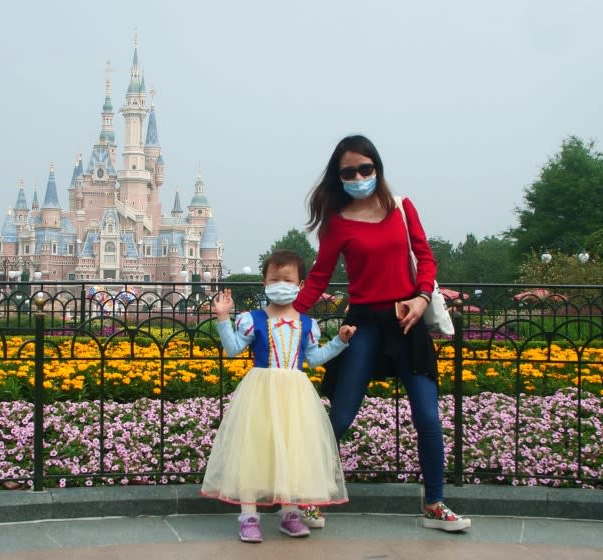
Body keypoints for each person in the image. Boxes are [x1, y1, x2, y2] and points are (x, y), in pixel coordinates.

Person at [292, 134, 471, 532]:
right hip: (364, 326)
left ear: (378, 167)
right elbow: (319, 277)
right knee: (340, 415)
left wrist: (422, 299)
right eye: (348, 172)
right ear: (338, 178)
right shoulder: (337, 223)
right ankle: (306, 496)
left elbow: (425, 259)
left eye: (364, 168)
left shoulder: (402, 209)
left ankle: (435, 504)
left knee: (428, 416)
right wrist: (284, 315)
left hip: (408, 322)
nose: (357, 176)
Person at [201, 249, 356, 543]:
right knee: (254, 449)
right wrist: (222, 318)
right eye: (275, 278)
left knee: (293, 447)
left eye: (287, 279)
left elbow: (315, 358)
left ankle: (290, 513)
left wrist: (340, 341)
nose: (280, 284)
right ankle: (248, 515)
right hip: (260, 392)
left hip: (295, 395)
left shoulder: (308, 324)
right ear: (264, 282)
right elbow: (233, 349)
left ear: (300, 284)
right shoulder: (252, 319)